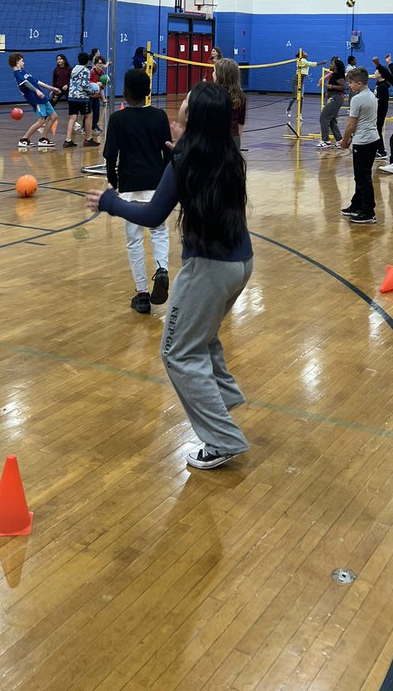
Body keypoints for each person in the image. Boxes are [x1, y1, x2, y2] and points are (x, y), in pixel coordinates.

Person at [87, 81, 252, 471]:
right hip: (241, 264)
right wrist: (179, 149)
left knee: (176, 351)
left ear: (193, 117)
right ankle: (222, 401)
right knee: (203, 337)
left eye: (187, 102)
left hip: (208, 269)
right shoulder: (227, 153)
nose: (180, 105)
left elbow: (151, 215)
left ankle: (222, 439)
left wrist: (110, 202)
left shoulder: (187, 160)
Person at [103, 68, 172, 314]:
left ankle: (142, 294)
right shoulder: (160, 116)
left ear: (125, 92)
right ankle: (161, 269)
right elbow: (168, 153)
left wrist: (113, 184)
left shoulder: (117, 119)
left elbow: (110, 156)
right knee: (159, 232)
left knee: (134, 241)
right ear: (148, 92)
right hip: (156, 185)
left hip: (130, 185)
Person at [338, 66, 379, 225]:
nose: (349, 85)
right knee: (362, 176)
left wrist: (344, 141)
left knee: (362, 178)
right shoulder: (371, 95)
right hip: (372, 139)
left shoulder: (357, 99)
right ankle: (357, 205)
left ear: (359, 83)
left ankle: (368, 211)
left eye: (351, 82)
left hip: (363, 142)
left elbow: (351, 124)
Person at [8, 53, 58, 149]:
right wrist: (36, 90)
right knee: (41, 121)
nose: (23, 63)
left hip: (42, 98)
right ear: (17, 61)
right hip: (35, 99)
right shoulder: (17, 74)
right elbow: (25, 83)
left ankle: (43, 139)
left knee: (54, 116)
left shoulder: (23, 72)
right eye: (22, 61)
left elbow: (37, 81)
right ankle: (24, 140)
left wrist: (52, 88)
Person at [65, 51, 99, 148]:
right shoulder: (86, 70)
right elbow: (85, 85)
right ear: (87, 61)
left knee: (73, 117)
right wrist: (93, 91)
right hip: (82, 97)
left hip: (72, 96)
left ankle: (68, 140)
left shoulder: (74, 69)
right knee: (88, 116)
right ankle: (88, 139)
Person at [213, 57, 246, 148]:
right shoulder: (241, 96)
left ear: (220, 75)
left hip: (215, 139)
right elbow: (240, 123)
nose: (212, 74)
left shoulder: (213, 95)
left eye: (214, 71)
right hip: (234, 138)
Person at [318, 56, 346, 149]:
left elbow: (342, 87)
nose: (330, 65)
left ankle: (326, 141)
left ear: (336, 66)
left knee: (324, 117)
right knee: (332, 120)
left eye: (332, 64)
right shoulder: (334, 74)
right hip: (334, 97)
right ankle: (339, 140)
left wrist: (330, 86)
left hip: (336, 98)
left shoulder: (338, 75)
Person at [374, 57, 393, 159]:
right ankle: (378, 149)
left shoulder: (383, 86)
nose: (375, 72)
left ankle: (381, 151)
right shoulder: (378, 84)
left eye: (376, 71)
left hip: (380, 111)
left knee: (378, 129)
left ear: (381, 73)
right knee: (376, 129)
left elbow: (380, 100)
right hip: (377, 110)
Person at [286, 54, 317, 119]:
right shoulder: (301, 60)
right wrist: (321, 63)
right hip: (296, 81)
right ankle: (288, 109)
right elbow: (310, 64)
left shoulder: (305, 61)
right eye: (304, 53)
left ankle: (299, 114)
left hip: (301, 82)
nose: (306, 53)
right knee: (295, 97)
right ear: (302, 55)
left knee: (301, 97)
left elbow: (309, 64)